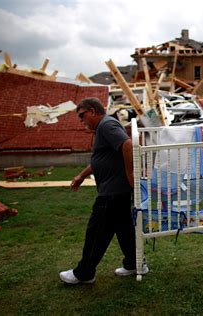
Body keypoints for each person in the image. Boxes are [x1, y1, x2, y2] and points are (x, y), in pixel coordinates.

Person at [59, 97, 148, 284]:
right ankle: (135, 263)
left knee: (96, 231)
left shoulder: (106, 125)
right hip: (116, 190)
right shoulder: (104, 127)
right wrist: (81, 175)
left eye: (82, 116)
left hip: (112, 192)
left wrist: (129, 172)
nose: (82, 121)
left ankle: (84, 273)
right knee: (123, 229)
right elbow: (101, 158)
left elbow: (127, 144)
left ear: (92, 111)